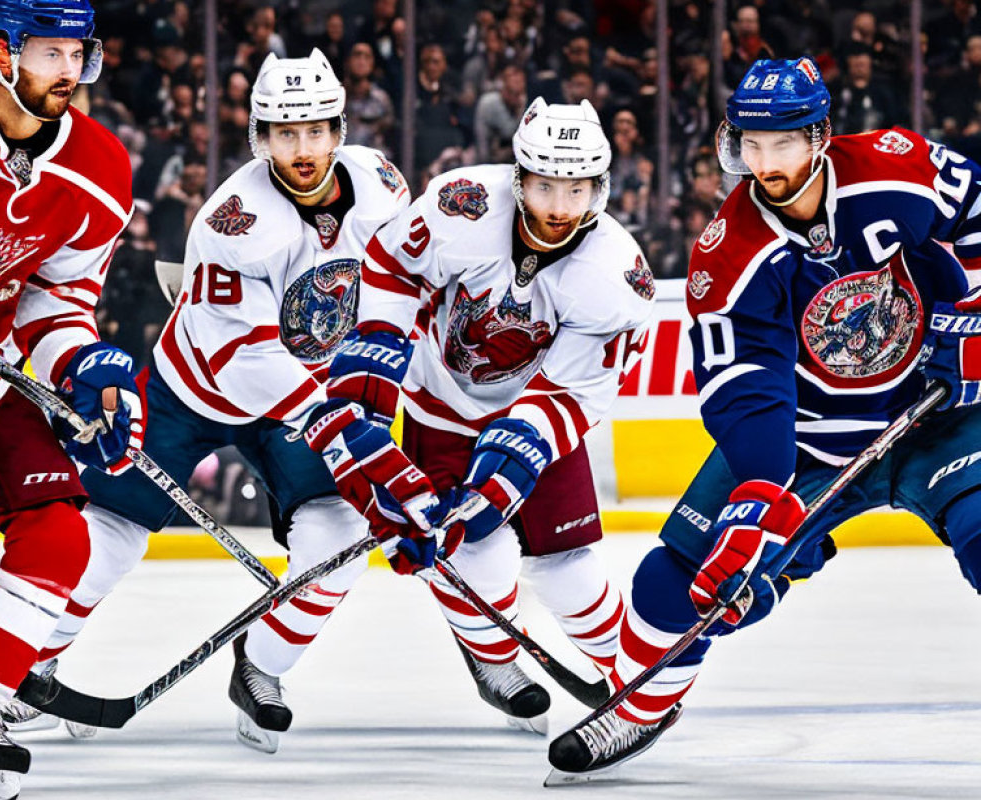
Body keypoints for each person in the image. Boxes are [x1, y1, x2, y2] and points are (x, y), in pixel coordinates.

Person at [548, 56, 981, 777]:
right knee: (681, 578)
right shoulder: (729, 252)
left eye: (781, 144)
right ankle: (642, 704)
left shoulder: (894, 165)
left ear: (820, 136)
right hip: (808, 442)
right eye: (751, 144)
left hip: (933, 412)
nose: (764, 162)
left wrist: (968, 320)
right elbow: (747, 382)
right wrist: (758, 491)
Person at [1, 48, 425, 757]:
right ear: (260, 136)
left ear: (340, 129)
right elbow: (246, 357)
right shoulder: (233, 221)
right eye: (285, 134)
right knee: (106, 535)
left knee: (343, 536)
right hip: (193, 389)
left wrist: (372, 398)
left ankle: (261, 666)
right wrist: (343, 425)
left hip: (306, 395)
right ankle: (28, 668)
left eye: (316, 131)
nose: (303, 149)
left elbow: (397, 289)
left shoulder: (382, 184)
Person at [308, 97, 656, 733]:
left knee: (571, 573)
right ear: (518, 176)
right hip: (440, 406)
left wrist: (502, 474)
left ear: (600, 187)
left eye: (577, 188)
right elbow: (391, 266)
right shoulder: (459, 203)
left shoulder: (616, 273)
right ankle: (496, 660)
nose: (559, 206)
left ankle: (630, 670)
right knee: (473, 556)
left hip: (540, 418)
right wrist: (369, 376)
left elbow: (570, 393)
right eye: (546, 184)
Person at [0, 1, 139, 797]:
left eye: (78, 53)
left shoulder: (102, 166)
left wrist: (89, 367)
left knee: (60, 539)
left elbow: (59, 298)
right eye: (51, 52)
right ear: (3, 50)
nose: (69, 72)